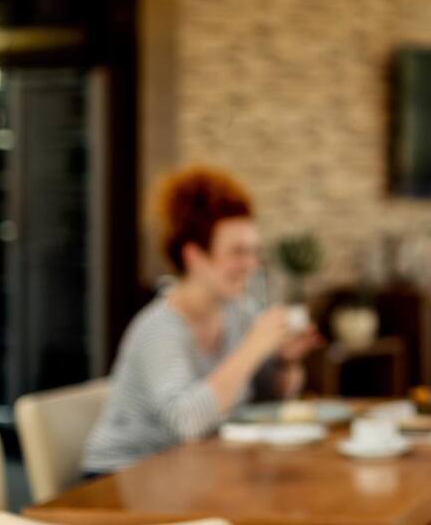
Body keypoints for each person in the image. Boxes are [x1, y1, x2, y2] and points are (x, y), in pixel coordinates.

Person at [82, 166, 321, 473]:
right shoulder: (158, 328)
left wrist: (286, 362)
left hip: (190, 473)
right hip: (121, 477)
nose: (251, 264)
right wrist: (253, 347)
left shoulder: (240, 313)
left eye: (254, 252)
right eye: (237, 252)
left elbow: (265, 399)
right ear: (194, 256)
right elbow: (187, 424)